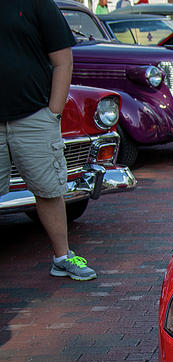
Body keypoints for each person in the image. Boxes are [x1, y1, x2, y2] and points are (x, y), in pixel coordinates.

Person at [1, 0, 97, 280]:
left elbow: (62, 60)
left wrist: (53, 113)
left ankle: (63, 257)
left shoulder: (37, 4)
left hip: (34, 116)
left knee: (48, 189)